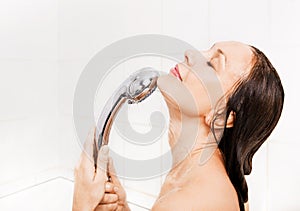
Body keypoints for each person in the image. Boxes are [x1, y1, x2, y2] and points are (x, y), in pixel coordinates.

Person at [75, 41, 284, 211]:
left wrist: (82, 204)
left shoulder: (189, 202)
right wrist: (122, 207)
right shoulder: (199, 177)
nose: (190, 54)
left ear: (221, 117)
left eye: (212, 64)